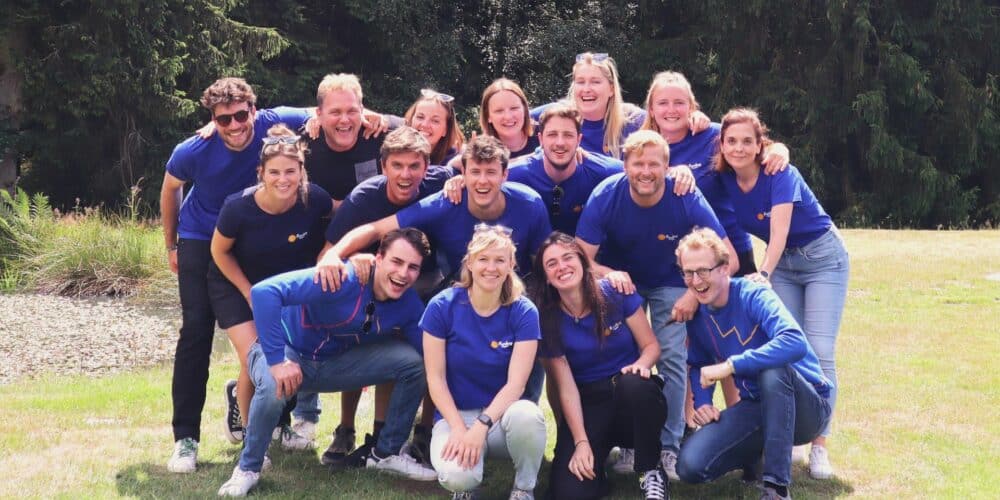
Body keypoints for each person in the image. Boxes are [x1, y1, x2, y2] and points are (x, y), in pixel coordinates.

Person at [160, 77, 312, 473]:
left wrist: (376, 119)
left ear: (254, 111)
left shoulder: (273, 121)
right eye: (223, 119)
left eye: (241, 116)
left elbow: (329, 112)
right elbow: (171, 188)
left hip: (247, 239)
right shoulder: (193, 150)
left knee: (276, 326)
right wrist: (172, 245)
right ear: (212, 119)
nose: (234, 126)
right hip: (200, 239)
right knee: (196, 332)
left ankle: (275, 420)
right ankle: (186, 439)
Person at [217, 229, 438, 496]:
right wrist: (276, 361)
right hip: (288, 354)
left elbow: (432, 355)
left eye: (413, 267)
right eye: (396, 262)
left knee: (415, 364)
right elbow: (265, 293)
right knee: (274, 384)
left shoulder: (409, 305)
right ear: (378, 258)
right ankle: (248, 468)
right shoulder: (343, 277)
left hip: (333, 364)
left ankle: (386, 453)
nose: (403, 273)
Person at [575, 130, 735, 480]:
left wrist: (694, 293)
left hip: (671, 282)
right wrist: (611, 274)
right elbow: (581, 258)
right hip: (620, 281)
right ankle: (631, 441)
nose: (645, 172)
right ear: (625, 166)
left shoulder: (684, 194)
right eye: (638, 164)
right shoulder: (607, 194)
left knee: (672, 355)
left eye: (653, 164)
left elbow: (728, 257)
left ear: (667, 166)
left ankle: (668, 446)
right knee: (623, 357)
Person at [639, 70, 790, 435]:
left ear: (692, 106)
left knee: (734, 345)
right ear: (651, 108)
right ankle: (692, 427)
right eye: (663, 102)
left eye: (679, 102)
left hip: (728, 255)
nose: (671, 110)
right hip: (678, 263)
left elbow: (752, 141)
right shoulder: (643, 144)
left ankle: (743, 427)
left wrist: (779, 150)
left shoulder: (709, 136)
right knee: (691, 347)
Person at [715, 108, 849, 480]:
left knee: (819, 350)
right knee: (787, 348)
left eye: (747, 141)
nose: (739, 148)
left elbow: (779, 232)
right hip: (786, 266)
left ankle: (819, 445)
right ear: (721, 145)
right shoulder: (723, 179)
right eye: (731, 141)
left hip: (823, 260)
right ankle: (790, 435)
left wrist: (762, 274)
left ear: (761, 145)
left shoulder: (780, 173)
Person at [312, 126, 453, 468]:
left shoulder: (442, 182)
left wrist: (460, 179)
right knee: (361, 339)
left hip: (426, 277)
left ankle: (422, 431)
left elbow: (477, 165)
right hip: (372, 277)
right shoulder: (364, 197)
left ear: (427, 167)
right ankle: (346, 428)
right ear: (383, 166)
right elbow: (327, 254)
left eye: (414, 166)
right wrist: (346, 260)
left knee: (429, 349)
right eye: (397, 166)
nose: (406, 175)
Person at [673, 228, 832, 500]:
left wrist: (731, 365)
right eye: (688, 273)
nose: (696, 281)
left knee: (772, 371)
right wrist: (703, 403)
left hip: (806, 408)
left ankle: (776, 489)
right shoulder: (699, 315)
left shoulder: (754, 294)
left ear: (724, 268)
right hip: (756, 406)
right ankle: (753, 457)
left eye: (703, 271)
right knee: (690, 465)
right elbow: (698, 363)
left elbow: (794, 341)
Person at [209, 125, 332, 450]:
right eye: (274, 172)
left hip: (283, 289)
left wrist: (327, 255)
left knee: (290, 353)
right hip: (236, 284)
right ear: (260, 173)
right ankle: (252, 438)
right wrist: (248, 292)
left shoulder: (315, 199)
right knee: (258, 357)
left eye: (290, 171)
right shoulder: (237, 208)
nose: (283, 179)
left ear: (301, 171)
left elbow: (344, 219)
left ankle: (276, 420)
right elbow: (219, 252)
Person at [531, 233, 668, 500]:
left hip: (627, 392)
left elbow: (651, 346)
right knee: (569, 494)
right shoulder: (547, 318)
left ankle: (650, 469)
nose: (562, 267)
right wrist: (580, 442)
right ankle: (597, 467)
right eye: (552, 263)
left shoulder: (614, 292)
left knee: (635, 386)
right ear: (546, 277)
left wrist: (641, 366)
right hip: (587, 404)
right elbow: (566, 388)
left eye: (568, 258)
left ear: (583, 262)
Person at [421, 227, 546, 500]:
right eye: (483, 259)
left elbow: (516, 385)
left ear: (511, 265)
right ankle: (467, 488)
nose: (491, 268)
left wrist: (482, 426)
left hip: (502, 418)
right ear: (469, 263)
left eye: (500, 260)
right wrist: (459, 429)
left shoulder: (524, 312)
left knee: (528, 416)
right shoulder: (441, 306)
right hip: (456, 416)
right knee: (457, 478)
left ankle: (524, 488)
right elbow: (435, 379)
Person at [530, 52, 709, 160]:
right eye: (581, 82)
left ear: (611, 89)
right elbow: (517, 118)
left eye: (595, 82)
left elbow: (668, 119)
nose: (587, 89)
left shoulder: (633, 120)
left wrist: (694, 117)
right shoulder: (555, 115)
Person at [304, 73, 403, 210]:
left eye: (352, 111)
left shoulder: (384, 133)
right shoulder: (303, 147)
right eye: (335, 112)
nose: (344, 120)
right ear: (319, 114)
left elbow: (424, 130)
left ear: (362, 111)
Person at [479, 78, 540, 159]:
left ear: (525, 109)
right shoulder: (482, 154)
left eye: (514, 108)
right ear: (488, 116)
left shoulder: (547, 134)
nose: (508, 116)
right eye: (499, 111)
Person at [405, 88, 466, 166]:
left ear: (446, 130)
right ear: (411, 119)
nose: (425, 125)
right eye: (420, 117)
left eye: (435, 121)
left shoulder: (456, 160)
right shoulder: (394, 149)